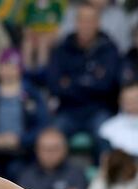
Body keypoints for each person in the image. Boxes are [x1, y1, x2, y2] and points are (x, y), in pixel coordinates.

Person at [48, 3, 121, 158]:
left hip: (99, 109)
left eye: (90, 20)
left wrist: (71, 83)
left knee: (107, 137)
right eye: (82, 20)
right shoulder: (62, 48)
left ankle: (105, 173)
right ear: (76, 22)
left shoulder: (109, 48)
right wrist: (91, 82)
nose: (86, 25)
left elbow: (108, 85)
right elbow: (54, 85)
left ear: (98, 23)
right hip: (68, 110)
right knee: (50, 140)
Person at [0, 48, 48, 181]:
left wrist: (21, 140)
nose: (8, 71)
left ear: (19, 69)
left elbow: (42, 123)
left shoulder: (32, 94)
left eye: (12, 67)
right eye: (4, 66)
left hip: (23, 153)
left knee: (18, 173)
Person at [98, 83, 138, 158]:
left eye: (135, 99)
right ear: (120, 101)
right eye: (128, 100)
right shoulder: (108, 128)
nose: (133, 104)